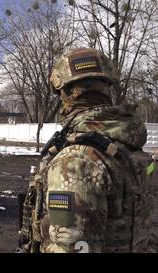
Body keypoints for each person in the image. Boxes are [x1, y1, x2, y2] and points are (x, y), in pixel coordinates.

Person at [18, 48, 157, 253]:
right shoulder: (134, 151)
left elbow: (70, 248)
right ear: (107, 90)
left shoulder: (76, 162)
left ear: (64, 93)